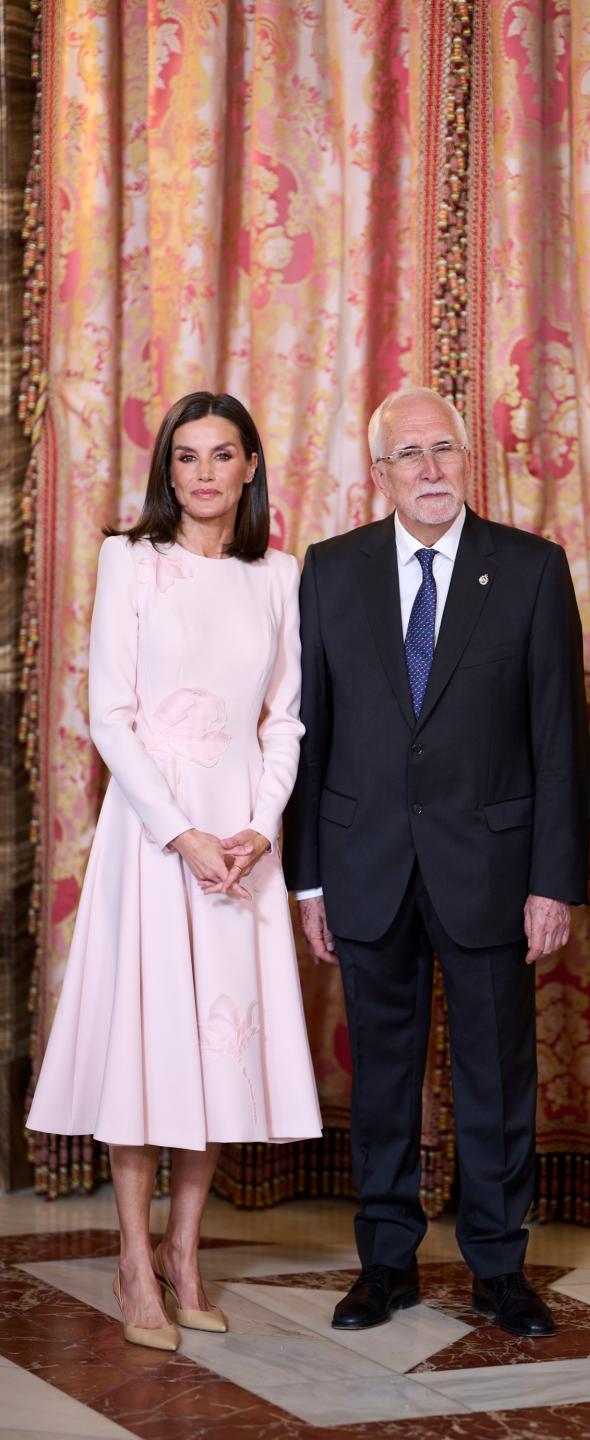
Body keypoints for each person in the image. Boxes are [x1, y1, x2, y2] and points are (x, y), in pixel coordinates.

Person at [283, 386, 588, 1337]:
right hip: (364, 863)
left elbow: (557, 738)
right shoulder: (330, 571)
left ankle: (500, 1270)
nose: (429, 469)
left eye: (443, 449)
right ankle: (386, 1264)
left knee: (499, 1076)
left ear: (469, 459)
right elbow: (309, 731)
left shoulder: (532, 570)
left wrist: (553, 878)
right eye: (407, 454)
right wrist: (310, 876)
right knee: (381, 1076)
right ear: (380, 473)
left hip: (493, 870)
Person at [28, 391, 322, 1352]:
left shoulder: (280, 576)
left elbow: (285, 717)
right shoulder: (131, 561)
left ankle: (185, 1256)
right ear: (169, 471)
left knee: (211, 1049)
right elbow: (110, 713)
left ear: (249, 468)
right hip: (155, 839)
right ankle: (129, 1256)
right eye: (186, 456)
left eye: (221, 454)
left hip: (240, 838)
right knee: (150, 1043)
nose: (203, 473)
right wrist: (182, 834)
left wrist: (257, 827)